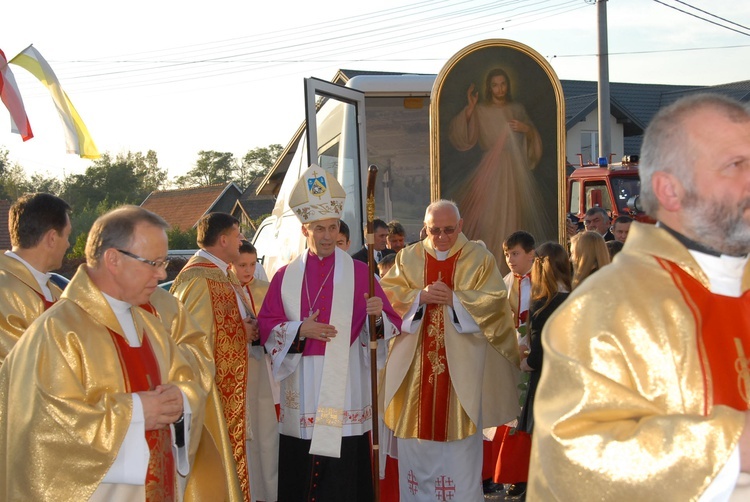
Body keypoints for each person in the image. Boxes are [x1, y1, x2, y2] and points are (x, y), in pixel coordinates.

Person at [528, 93, 750, 500]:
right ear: (669, 189)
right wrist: (729, 446)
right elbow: (574, 455)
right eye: (735, 165)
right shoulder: (605, 308)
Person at [0, 205, 207, 501]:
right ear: (113, 260)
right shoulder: (57, 331)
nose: (162, 273)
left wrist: (182, 401)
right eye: (153, 263)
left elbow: (186, 380)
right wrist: (136, 413)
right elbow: (42, 431)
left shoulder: (150, 324)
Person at [257, 164, 401, 502]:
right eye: (319, 228)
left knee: (343, 469)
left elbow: (387, 327)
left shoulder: (361, 272)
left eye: (332, 228)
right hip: (303, 381)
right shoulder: (284, 276)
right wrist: (299, 329)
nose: (326, 236)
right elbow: (267, 326)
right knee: (302, 463)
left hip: (346, 382)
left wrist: (376, 318)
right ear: (305, 229)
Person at [380, 199, 520, 501]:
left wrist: (455, 300)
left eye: (448, 230)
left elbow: (496, 303)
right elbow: (387, 297)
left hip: (460, 377)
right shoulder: (408, 258)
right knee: (416, 450)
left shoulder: (479, 259)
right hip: (415, 375)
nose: (442, 237)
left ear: (460, 226)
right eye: (435, 230)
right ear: (425, 229)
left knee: (459, 457)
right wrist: (419, 297)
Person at [171, 212, 254, 502]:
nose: (241, 239)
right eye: (237, 233)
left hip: (233, 384)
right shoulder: (199, 277)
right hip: (214, 391)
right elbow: (192, 341)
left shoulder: (221, 273)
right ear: (222, 240)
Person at [448, 67, 552, 269]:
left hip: (514, 170)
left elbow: (533, 142)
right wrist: (470, 108)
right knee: (489, 217)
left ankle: (511, 266)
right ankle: (490, 265)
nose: (500, 88)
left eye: (503, 83)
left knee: (513, 214)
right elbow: (462, 137)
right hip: (490, 169)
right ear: (489, 87)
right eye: (495, 84)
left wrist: (526, 129)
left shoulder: (517, 108)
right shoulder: (480, 109)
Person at [231, 241, 278, 502]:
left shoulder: (264, 289)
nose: (248, 270)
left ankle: (268, 491)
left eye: (252, 264)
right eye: (242, 265)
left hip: (265, 369)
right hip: (239, 370)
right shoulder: (226, 290)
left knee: (266, 432)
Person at [0, 192, 71, 364]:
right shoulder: (4, 288)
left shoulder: (57, 290)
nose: (68, 245)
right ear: (52, 238)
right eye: (67, 236)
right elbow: (21, 368)